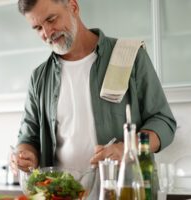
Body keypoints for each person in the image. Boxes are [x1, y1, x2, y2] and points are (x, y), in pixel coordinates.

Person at [10, 0, 176, 198]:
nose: (47, 33)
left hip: (127, 192)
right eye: (38, 28)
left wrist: (127, 149)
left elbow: (163, 122)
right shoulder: (39, 77)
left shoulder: (129, 55)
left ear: (73, 6)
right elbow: (28, 138)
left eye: (51, 19)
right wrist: (24, 154)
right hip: (62, 195)